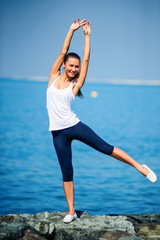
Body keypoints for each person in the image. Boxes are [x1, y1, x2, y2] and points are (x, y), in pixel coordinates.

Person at [46, 18, 157, 223]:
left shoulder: (75, 85)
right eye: (71, 65)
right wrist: (71, 30)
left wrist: (88, 36)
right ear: (63, 65)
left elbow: (87, 60)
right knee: (67, 170)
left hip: (74, 126)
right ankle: (71, 211)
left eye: (76, 67)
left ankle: (140, 167)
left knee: (106, 148)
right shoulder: (53, 76)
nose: (74, 69)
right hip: (57, 133)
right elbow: (63, 50)